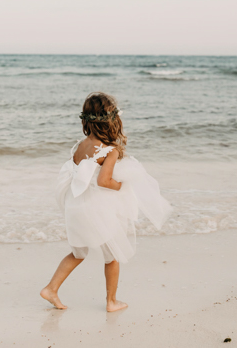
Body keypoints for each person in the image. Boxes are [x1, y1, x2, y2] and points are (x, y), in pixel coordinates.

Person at [40, 92, 172, 312]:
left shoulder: (80, 145)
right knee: (113, 255)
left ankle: (51, 288)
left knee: (77, 253)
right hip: (96, 209)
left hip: (76, 205)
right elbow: (103, 181)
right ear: (111, 120)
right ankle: (111, 301)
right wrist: (121, 186)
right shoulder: (109, 150)